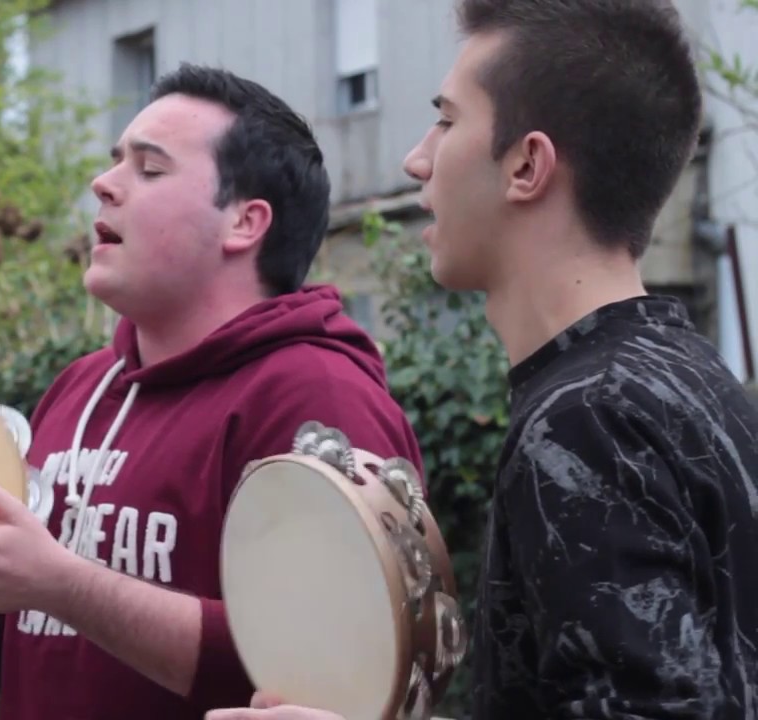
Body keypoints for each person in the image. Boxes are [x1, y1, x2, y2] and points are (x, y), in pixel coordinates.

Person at [0, 63, 424, 719]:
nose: (104, 184)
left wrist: (62, 583)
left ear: (244, 222)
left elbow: (336, 667)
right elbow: (6, 638)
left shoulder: (317, 395)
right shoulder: (82, 386)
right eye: (116, 161)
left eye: (149, 169)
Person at [209, 0, 758, 718]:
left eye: (446, 121)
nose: (417, 159)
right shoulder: (700, 379)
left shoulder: (588, 422)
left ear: (527, 165)